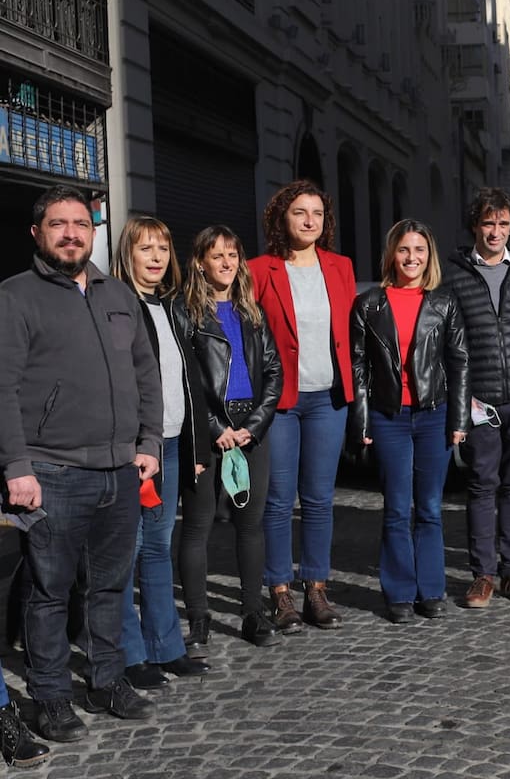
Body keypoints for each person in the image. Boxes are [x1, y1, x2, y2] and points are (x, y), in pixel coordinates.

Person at [0, 185, 161, 742]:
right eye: (58, 224)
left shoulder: (118, 294)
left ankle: (106, 678)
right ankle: (50, 697)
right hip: (52, 472)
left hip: (120, 469)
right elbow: (3, 386)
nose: (72, 233)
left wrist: (150, 443)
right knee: (49, 591)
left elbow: (146, 374)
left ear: (93, 232)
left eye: (81, 224)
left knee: (111, 587)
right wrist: (16, 466)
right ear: (37, 233)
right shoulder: (14, 296)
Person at [110, 217, 213, 687]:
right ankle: (129, 655)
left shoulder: (172, 307)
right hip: (134, 450)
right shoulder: (115, 305)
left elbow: (188, 381)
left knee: (157, 549)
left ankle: (166, 647)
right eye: (145, 248)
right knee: (124, 554)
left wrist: (192, 444)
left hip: (170, 443)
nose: (156, 257)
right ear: (127, 254)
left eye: (163, 249)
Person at [350, 220, 469, 622]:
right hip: (389, 417)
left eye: (419, 250)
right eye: (404, 250)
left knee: (431, 507)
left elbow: (459, 362)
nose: (411, 258)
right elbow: (359, 367)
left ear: (428, 256)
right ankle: (399, 592)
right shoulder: (369, 304)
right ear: (392, 254)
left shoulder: (443, 303)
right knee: (398, 506)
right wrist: (363, 422)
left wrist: (459, 418)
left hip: (433, 414)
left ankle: (431, 589)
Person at [250, 180, 356, 632]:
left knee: (318, 499)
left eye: (316, 213)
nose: (310, 220)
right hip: (281, 402)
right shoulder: (260, 269)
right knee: (277, 499)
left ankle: (315, 588)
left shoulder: (341, 267)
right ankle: (279, 592)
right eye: (300, 212)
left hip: (329, 398)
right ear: (282, 218)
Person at [176, 226, 283, 649]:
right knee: (198, 526)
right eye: (216, 255)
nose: (226, 263)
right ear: (200, 261)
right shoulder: (184, 312)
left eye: (233, 255)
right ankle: (199, 619)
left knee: (250, 525)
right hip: (209, 430)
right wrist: (215, 430)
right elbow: (186, 380)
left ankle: (252, 614)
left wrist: (253, 427)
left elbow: (273, 373)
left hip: (250, 430)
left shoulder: (250, 311)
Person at [443, 188, 510, 608]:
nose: (496, 231)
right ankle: (482, 575)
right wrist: (461, 397)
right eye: (488, 223)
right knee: (482, 485)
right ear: (475, 226)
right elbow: (447, 341)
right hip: (479, 401)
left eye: (503, 224)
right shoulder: (452, 274)